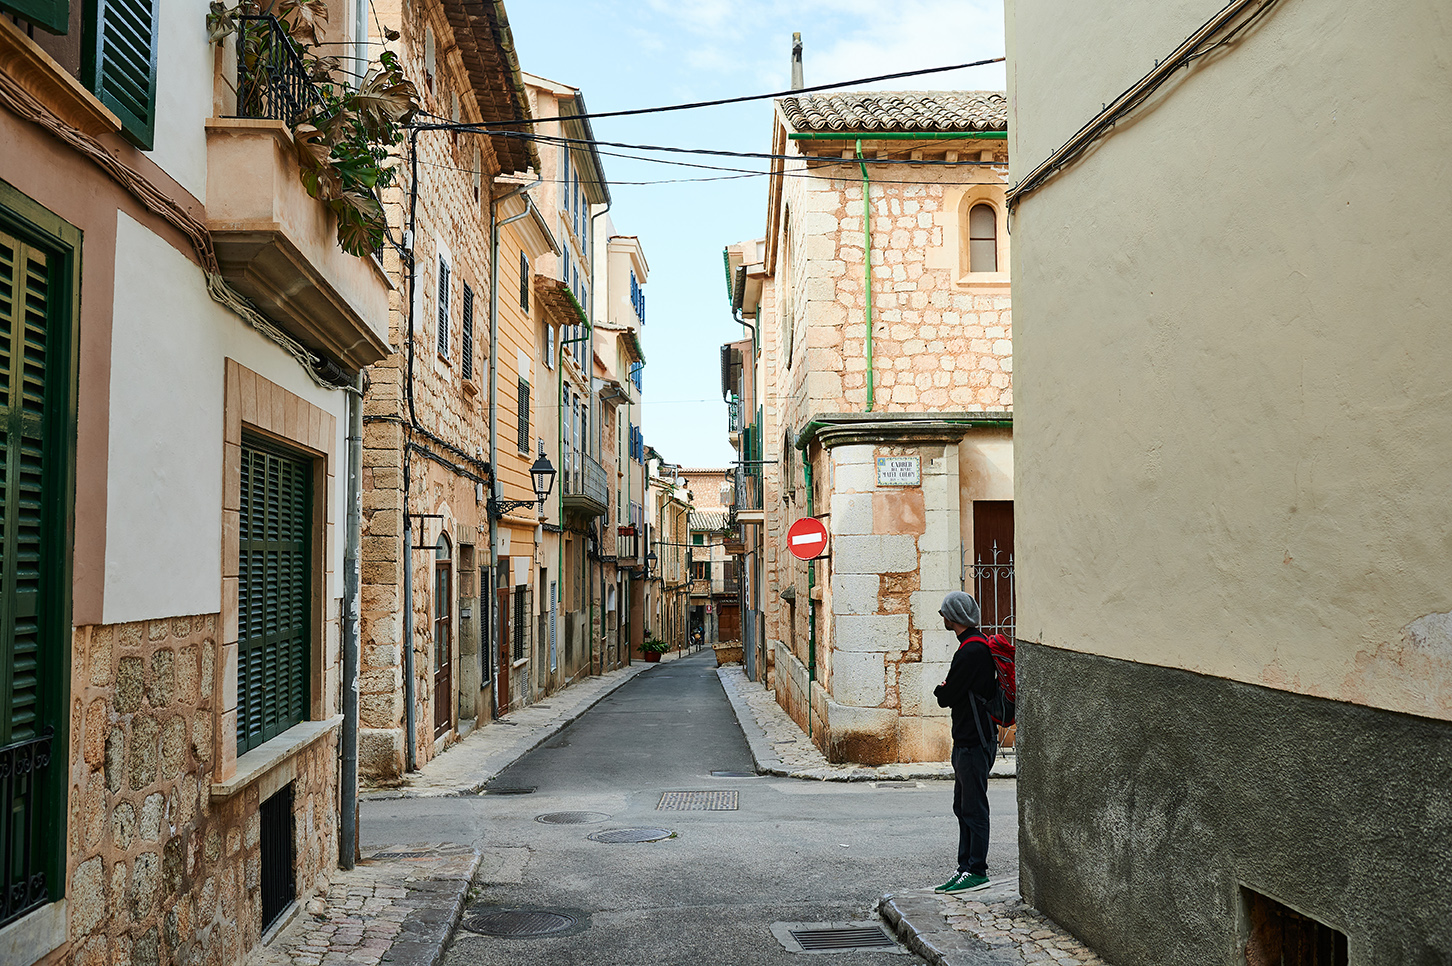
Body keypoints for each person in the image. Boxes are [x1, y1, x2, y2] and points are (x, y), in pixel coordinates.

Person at [931, 590, 998, 894]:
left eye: (944, 613)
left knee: (973, 808)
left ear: (953, 617)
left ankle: (977, 870)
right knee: (962, 806)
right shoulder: (975, 645)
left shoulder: (970, 652)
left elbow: (946, 696)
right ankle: (964, 868)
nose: (942, 617)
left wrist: (941, 689)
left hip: (973, 741)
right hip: (970, 739)